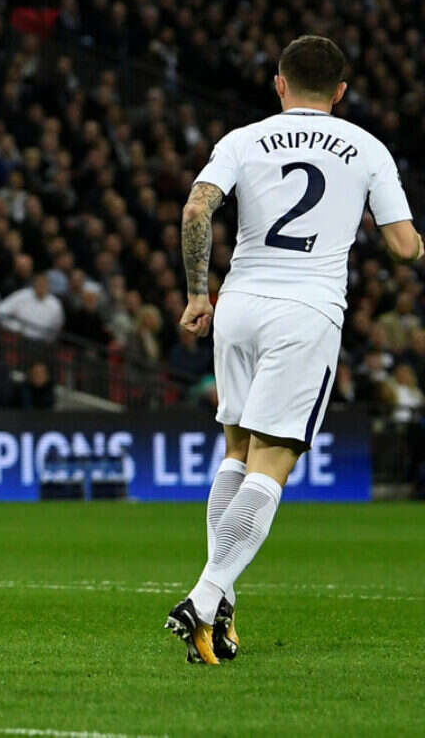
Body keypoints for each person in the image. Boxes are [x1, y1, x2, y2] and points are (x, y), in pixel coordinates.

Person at [168, 36, 421, 664]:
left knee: (236, 452)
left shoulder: (243, 139)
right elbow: (402, 246)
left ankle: (219, 607)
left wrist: (198, 293)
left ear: (279, 83)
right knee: (272, 461)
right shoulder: (367, 147)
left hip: (238, 304)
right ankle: (205, 595)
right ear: (341, 91)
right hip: (305, 312)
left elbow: (196, 209)